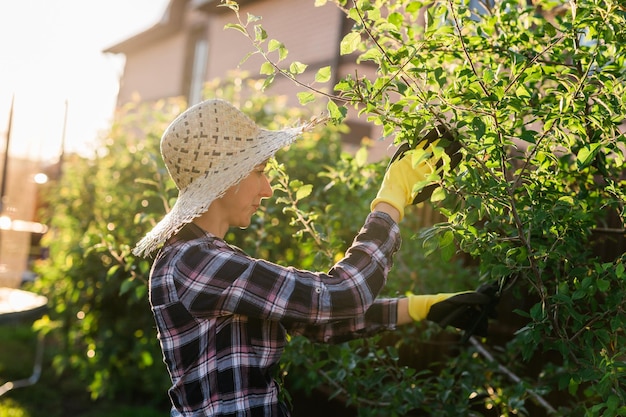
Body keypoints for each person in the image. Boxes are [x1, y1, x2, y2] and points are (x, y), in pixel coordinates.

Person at [133, 99, 496, 417]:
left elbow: (320, 321)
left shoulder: (209, 259)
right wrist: (391, 200)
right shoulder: (194, 263)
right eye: (260, 172)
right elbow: (341, 296)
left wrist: (424, 307)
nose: (268, 189)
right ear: (226, 179)